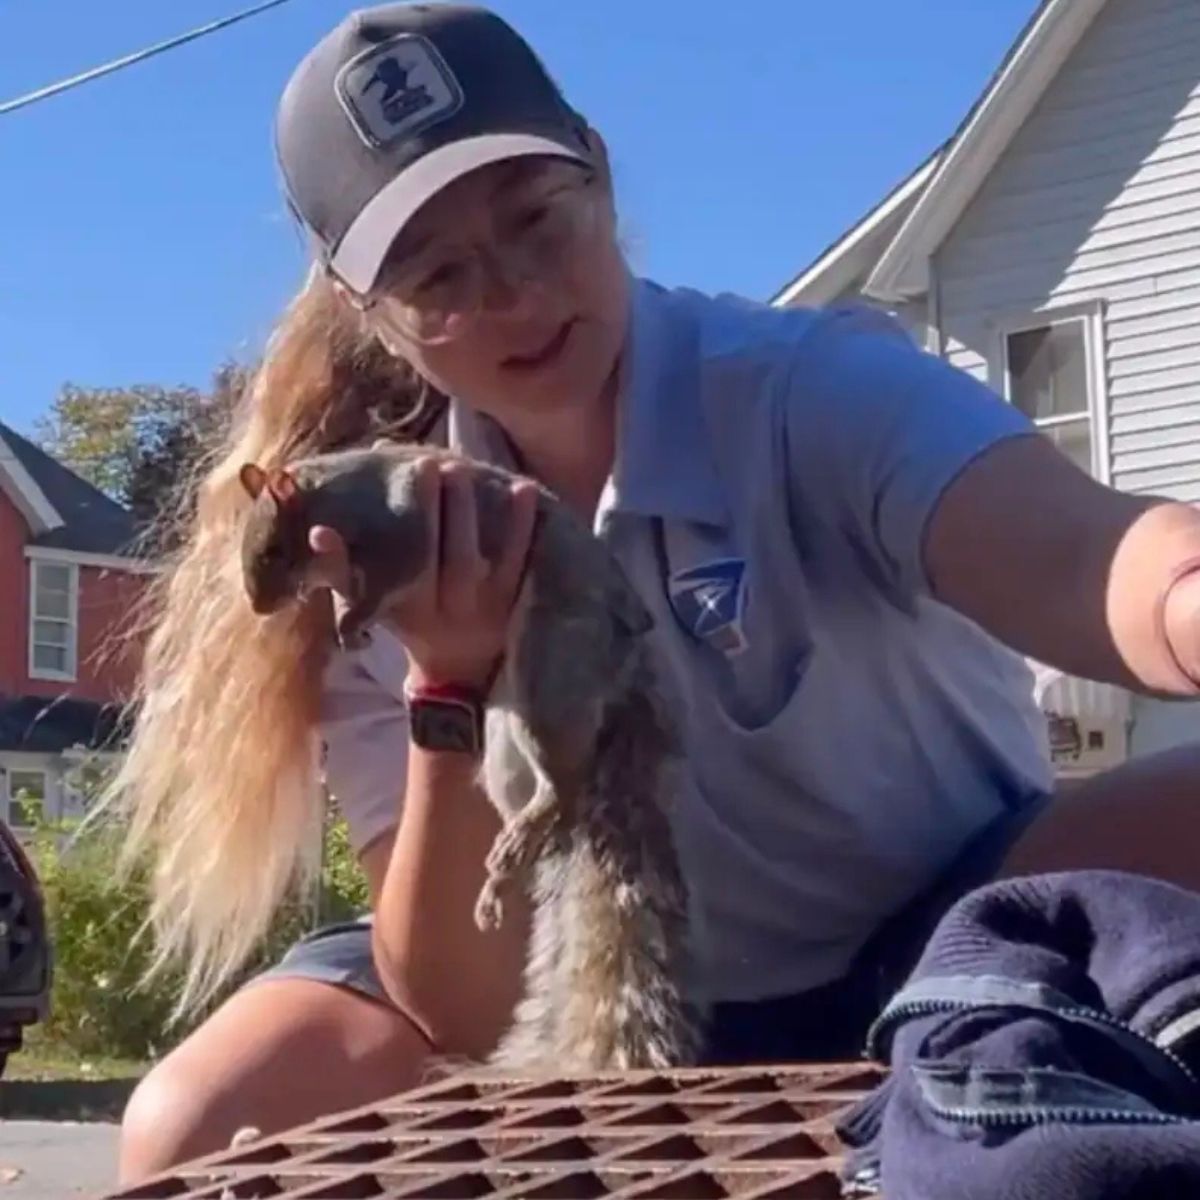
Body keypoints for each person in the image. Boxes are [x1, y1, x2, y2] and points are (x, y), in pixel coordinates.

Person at [113, 1, 1200, 1184]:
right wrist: (449, 686)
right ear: (368, 310)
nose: (516, 294)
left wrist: (1180, 594)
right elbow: (465, 1007)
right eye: (437, 275)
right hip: (591, 990)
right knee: (200, 1120)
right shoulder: (377, 548)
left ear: (600, 174)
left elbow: (1083, 556)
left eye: (536, 220)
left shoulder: (809, 391)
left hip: (940, 923)